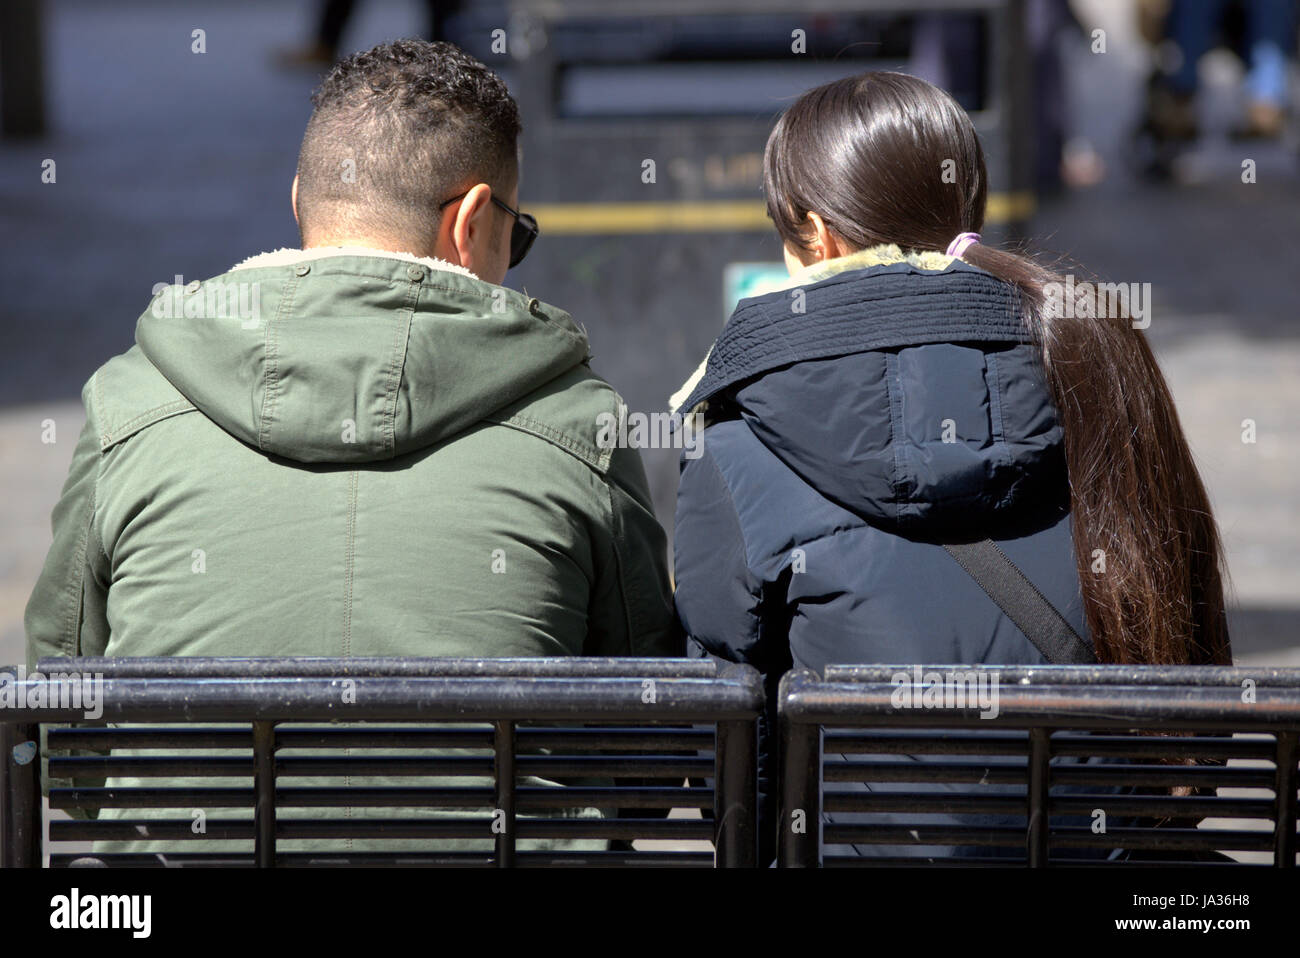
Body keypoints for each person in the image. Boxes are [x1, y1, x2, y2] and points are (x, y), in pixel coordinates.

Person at [26, 39, 679, 857]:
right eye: (519, 235)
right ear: (472, 221)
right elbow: (649, 749)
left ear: (302, 200)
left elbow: (62, 734)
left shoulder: (130, 402)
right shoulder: (581, 424)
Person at [671, 71, 1231, 865]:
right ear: (965, 207)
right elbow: (1191, 730)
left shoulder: (735, 449)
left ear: (815, 233)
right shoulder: (1099, 375)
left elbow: (733, 779)